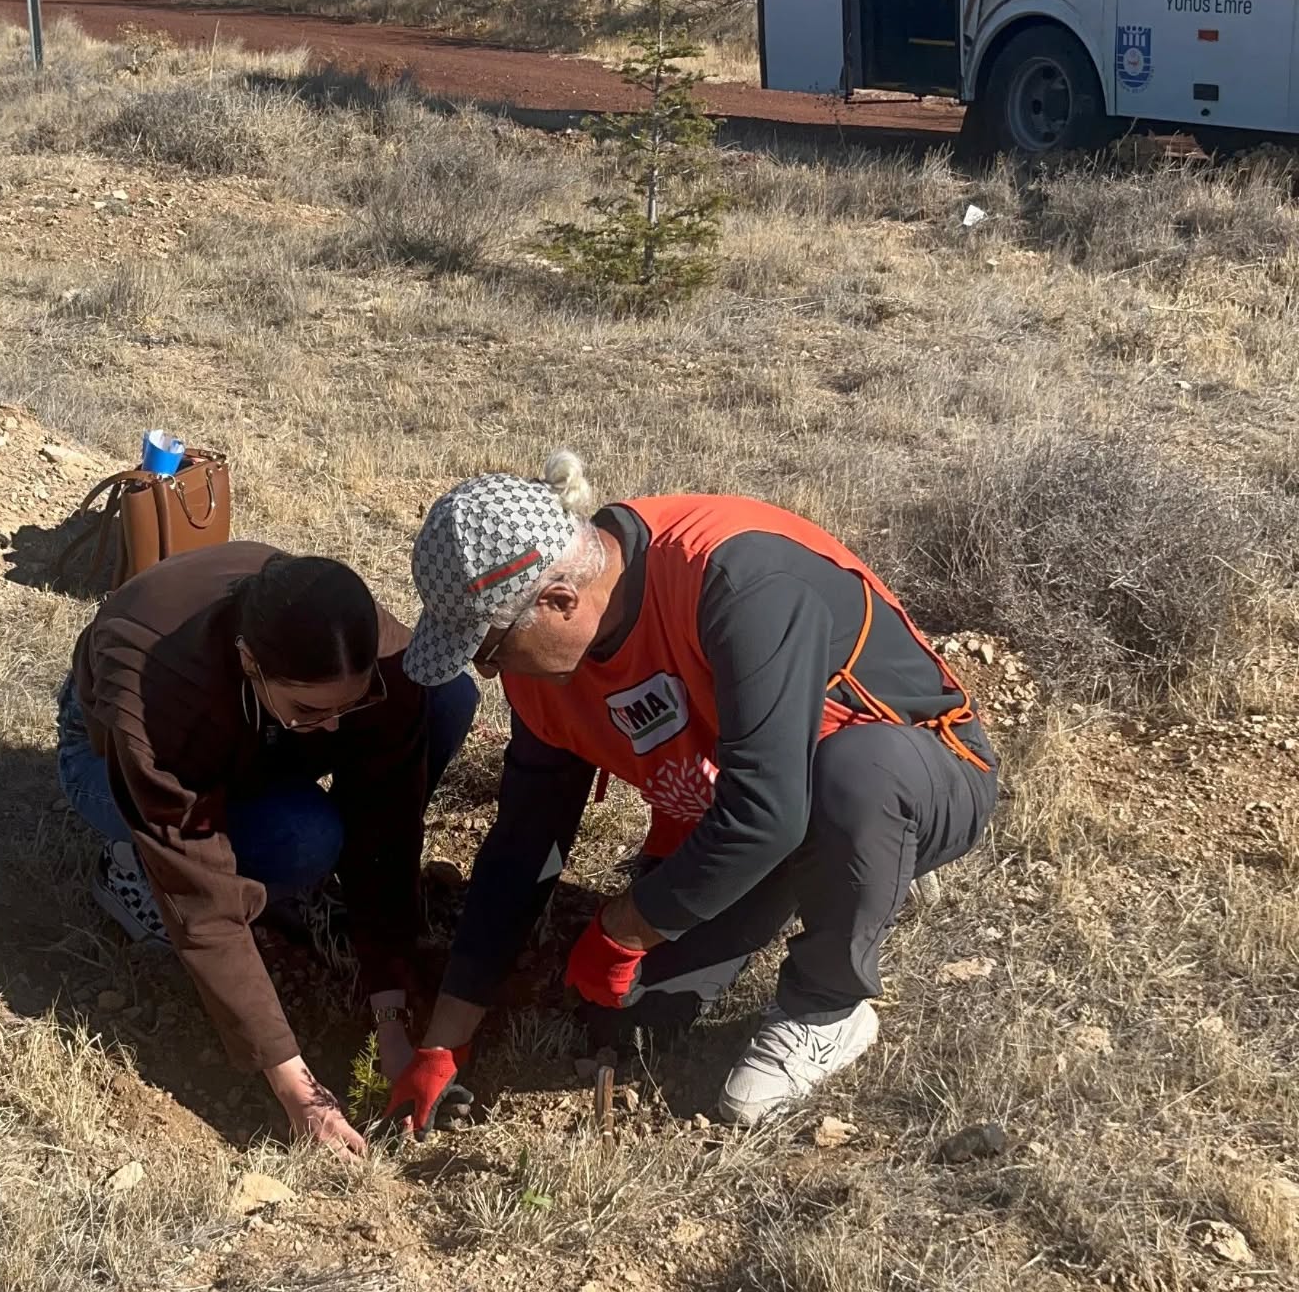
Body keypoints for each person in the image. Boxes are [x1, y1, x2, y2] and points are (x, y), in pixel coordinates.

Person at [382, 452, 998, 1135]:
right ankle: (836, 869)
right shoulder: (545, 670)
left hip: (911, 768)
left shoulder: (737, 582)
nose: (491, 674)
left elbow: (766, 815)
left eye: (489, 650)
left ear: (558, 602)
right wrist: (446, 1039)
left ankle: (828, 1004)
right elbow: (524, 840)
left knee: (850, 777)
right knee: (632, 1020)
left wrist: (624, 928)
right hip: (748, 806)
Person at [58, 541, 478, 1155]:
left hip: (258, 733)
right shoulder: (160, 695)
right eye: (312, 708)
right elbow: (204, 904)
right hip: (109, 755)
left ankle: (285, 832)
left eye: (352, 702)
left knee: (446, 696)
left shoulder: (374, 656)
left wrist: (390, 1014)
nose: (335, 728)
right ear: (249, 661)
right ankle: (131, 872)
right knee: (302, 839)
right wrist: (299, 1091)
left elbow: (387, 826)